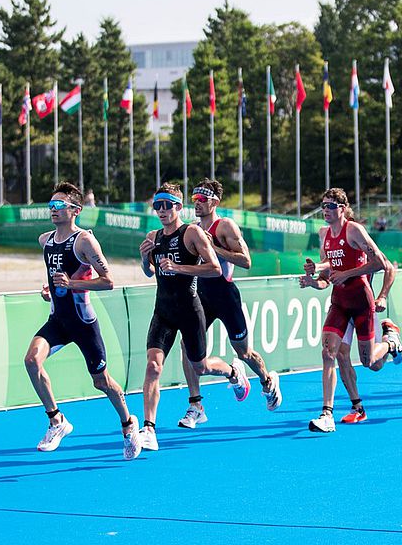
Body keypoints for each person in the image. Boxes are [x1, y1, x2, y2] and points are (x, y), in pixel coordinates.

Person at [24, 182, 142, 460]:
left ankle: (128, 424)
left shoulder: (84, 241)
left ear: (75, 210)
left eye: (59, 205)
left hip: (83, 322)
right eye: (50, 205)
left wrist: (72, 283)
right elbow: (56, 281)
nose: (53, 210)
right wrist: (49, 290)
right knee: (31, 360)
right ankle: (57, 421)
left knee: (101, 381)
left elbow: (109, 282)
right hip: (58, 321)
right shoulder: (46, 241)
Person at [138, 182, 252, 450]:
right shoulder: (154, 236)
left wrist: (178, 267)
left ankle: (232, 371)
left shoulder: (192, 233)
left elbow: (214, 269)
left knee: (199, 366)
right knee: (153, 366)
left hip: (190, 309)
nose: (162, 211)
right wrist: (145, 260)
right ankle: (149, 428)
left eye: (167, 205)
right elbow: (149, 272)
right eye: (157, 206)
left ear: (178, 207)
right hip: (163, 311)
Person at [177, 179, 282, 429]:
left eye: (202, 200)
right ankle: (196, 405)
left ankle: (267, 381)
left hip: (225, 295)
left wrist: (213, 248)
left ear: (215, 202)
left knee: (243, 353)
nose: (198, 204)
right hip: (201, 293)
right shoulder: (192, 228)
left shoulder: (224, 226)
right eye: (195, 200)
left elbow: (246, 260)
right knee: (186, 345)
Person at [305, 188, 402, 433]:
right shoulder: (324, 234)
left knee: (370, 362)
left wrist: (356, 278)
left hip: (361, 300)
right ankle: (333, 412)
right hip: (339, 302)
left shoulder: (354, 230)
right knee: (331, 353)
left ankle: (390, 343)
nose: (325, 210)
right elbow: (327, 278)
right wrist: (312, 280)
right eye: (323, 206)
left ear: (342, 208)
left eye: (330, 206)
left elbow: (382, 263)